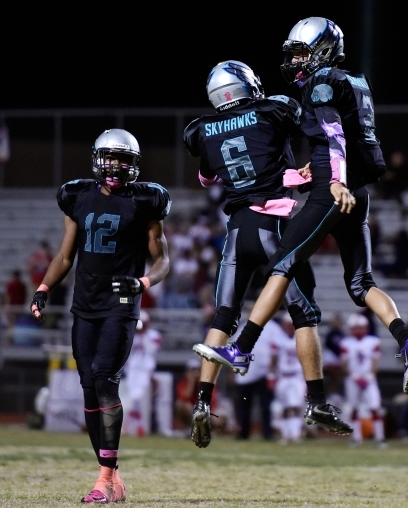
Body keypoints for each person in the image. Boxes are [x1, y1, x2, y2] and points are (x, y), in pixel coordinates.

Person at [196, 18, 408, 399]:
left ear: (322, 49)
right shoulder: (355, 81)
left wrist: (333, 180)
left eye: (302, 52)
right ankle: (406, 340)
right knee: (360, 283)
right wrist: (327, 174)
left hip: (332, 190)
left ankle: (242, 348)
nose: (296, 61)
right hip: (358, 189)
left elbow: (334, 133)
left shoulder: (321, 84)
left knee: (282, 265)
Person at [184, 60, 351, 448]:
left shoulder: (201, 130)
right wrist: (304, 173)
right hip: (275, 223)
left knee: (223, 316)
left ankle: (202, 403)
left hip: (237, 230)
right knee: (303, 313)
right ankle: (317, 400)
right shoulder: (272, 109)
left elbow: (209, 177)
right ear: (246, 85)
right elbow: (312, 133)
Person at [29, 128, 171, 503]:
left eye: (124, 159)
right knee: (89, 389)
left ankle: (103, 479)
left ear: (135, 164)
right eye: (111, 158)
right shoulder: (77, 196)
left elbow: (163, 260)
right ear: (97, 158)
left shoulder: (146, 200)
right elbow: (64, 256)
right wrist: (44, 289)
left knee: (104, 380)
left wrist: (144, 282)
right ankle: (112, 475)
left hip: (121, 305)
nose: (116, 166)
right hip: (85, 305)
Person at [340, 313, 386, 447]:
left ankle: (380, 438)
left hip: (368, 378)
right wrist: (355, 376)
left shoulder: (373, 341)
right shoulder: (346, 343)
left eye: (361, 327)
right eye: (356, 327)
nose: (359, 330)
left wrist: (368, 376)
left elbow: (375, 362)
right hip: (352, 379)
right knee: (354, 408)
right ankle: (357, 437)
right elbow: (344, 364)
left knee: (374, 407)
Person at [232, 317, 281, 441]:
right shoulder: (243, 327)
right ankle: (244, 432)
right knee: (244, 405)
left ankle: (267, 432)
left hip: (263, 372)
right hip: (245, 372)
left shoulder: (272, 327)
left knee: (265, 405)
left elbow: (276, 350)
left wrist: (272, 372)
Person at [122, 310, 162, 436]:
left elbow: (152, 350)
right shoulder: (131, 335)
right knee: (132, 398)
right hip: (132, 369)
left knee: (139, 397)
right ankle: (135, 426)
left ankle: (137, 425)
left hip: (145, 370)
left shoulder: (153, 335)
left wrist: (144, 334)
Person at [269, 313, 306, 444]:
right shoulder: (278, 339)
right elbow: (273, 360)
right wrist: (271, 376)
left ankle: (295, 435)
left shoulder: (302, 338)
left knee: (296, 406)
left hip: (297, 376)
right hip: (283, 376)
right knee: (284, 407)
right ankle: (286, 435)